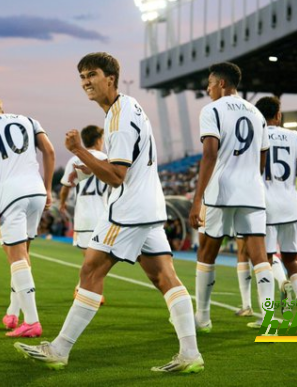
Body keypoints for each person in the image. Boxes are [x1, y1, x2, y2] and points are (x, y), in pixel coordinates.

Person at [15, 52, 203, 373]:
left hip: (129, 209)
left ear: (110, 79)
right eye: (82, 77)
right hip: (149, 205)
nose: (86, 82)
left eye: (92, 75)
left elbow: (117, 175)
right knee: (164, 277)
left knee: (90, 272)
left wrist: (78, 151)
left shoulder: (118, 118)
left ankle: (59, 349)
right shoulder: (127, 107)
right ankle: (190, 353)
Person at [188, 62, 274, 333]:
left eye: (210, 84)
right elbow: (262, 156)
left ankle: (202, 317)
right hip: (252, 190)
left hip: (222, 189)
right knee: (260, 255)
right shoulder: (256, 113)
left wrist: (197, 198)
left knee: (207, 251)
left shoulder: (211, 110)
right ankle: (269, 317)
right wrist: (250, 179)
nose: (208, 89)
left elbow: (210, 154)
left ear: (222, 84)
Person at [0, 94, 55, 338]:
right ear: (0, 109)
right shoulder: (28, 120)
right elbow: (49, 151)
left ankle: (32, 322)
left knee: (15, 256)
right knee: (23, 255)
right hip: (36, 191)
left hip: (10, 195)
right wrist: (48, 189)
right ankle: (12, 312)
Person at [252, 96, 297, 326]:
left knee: (264, 261)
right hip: (290, 206)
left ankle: (267, 316)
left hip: (264, 205)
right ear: (278, 115)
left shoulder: (257, 136)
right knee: (291, 259)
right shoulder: (294, 136)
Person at [59, 125, 108, 301]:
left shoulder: (75, 159)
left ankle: (85, 288)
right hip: (104, 213)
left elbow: (65, 187)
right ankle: (86, 289)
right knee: (100, 257)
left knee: (90, 256)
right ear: (98, 139)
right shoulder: (106, 158)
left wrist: (63, 203)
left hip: (84, 214)